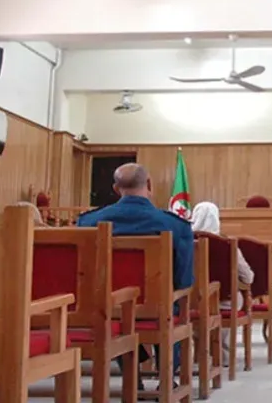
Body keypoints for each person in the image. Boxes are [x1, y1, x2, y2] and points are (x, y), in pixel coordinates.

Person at [77, 163, 194, 387]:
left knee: (117, 310)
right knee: (169, 301)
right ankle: (166, 377)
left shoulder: (88, 222)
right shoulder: (175, 225)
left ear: (115, 188)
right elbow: (183, 280)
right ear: (149, 184)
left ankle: (132, 377)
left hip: (108, 309)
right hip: (159, 310)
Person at [190, 201, 254, 365]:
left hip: (188, 303)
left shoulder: (181, 243)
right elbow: (247, 277)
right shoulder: (227, 245)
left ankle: (196, 355)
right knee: (230, 300)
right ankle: (223, 356)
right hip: (224, 301)